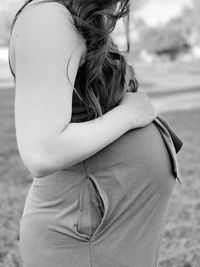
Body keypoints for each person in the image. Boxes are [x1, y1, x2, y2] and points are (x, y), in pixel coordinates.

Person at [9, 0, 182, 266]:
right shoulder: (47, 18)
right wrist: (129, 115)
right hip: (84, 240)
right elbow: (42, 152)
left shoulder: (81, 19)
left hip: (111, 233)